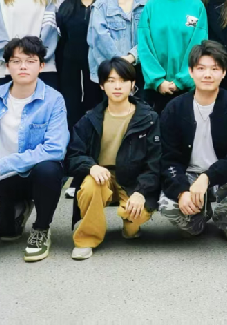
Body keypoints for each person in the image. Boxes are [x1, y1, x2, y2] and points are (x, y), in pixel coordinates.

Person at [0, 36, 69, 262]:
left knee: (49, 169)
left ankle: (41, 228)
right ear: (7, 66)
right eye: (16, 61)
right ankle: (17, 211)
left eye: (30, 61)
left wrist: (3, 165)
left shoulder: (53, 100)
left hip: (33, 177)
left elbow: (55, 148)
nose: (23, 67)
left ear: (41, 66)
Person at [159, 41, 227, 245]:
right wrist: (181, 191)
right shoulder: (174, 109)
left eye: (215, 69)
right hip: (189, 174)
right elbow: (169, 158)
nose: (207, 75)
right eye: (201, 68)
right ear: (191, 71)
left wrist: (207, 177)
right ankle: (197, 218)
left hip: (225, 175)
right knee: (168, 204)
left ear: (224, 73)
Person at [65, 58, 160, 260]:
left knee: (135, 218)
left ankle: (130, 226)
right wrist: (91, 167)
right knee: (90, 186)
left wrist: (141, 192)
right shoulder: (90, 118)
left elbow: (155, 162)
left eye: (123, 80)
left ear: (133, 84)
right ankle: (86, 238)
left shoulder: (148, 118)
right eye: (111, 81)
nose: (117, 86)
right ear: (101, 85)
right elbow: (73, 155)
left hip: (132, 179)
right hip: (101, 176)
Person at [138, 0, 208, 113]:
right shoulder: (151, 7)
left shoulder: (197, 6)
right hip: (156, 90)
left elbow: (198, 45)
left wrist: (182, 80)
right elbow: (144, 46)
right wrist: (158, 80)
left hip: (188, 88)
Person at [56, 0, 108, 132]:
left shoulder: (107, 5)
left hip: (99, 68)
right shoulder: (66, 7)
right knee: (71, 110)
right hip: (70, 68)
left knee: (96, 110)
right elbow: (62, 41)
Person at [87, 0, 148, 88]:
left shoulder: (148, 5)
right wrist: (120, 63)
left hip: (140, 72)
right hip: (109, 73)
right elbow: (99, 39)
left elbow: (150, 38)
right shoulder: (101, 5)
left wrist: (132, 57)